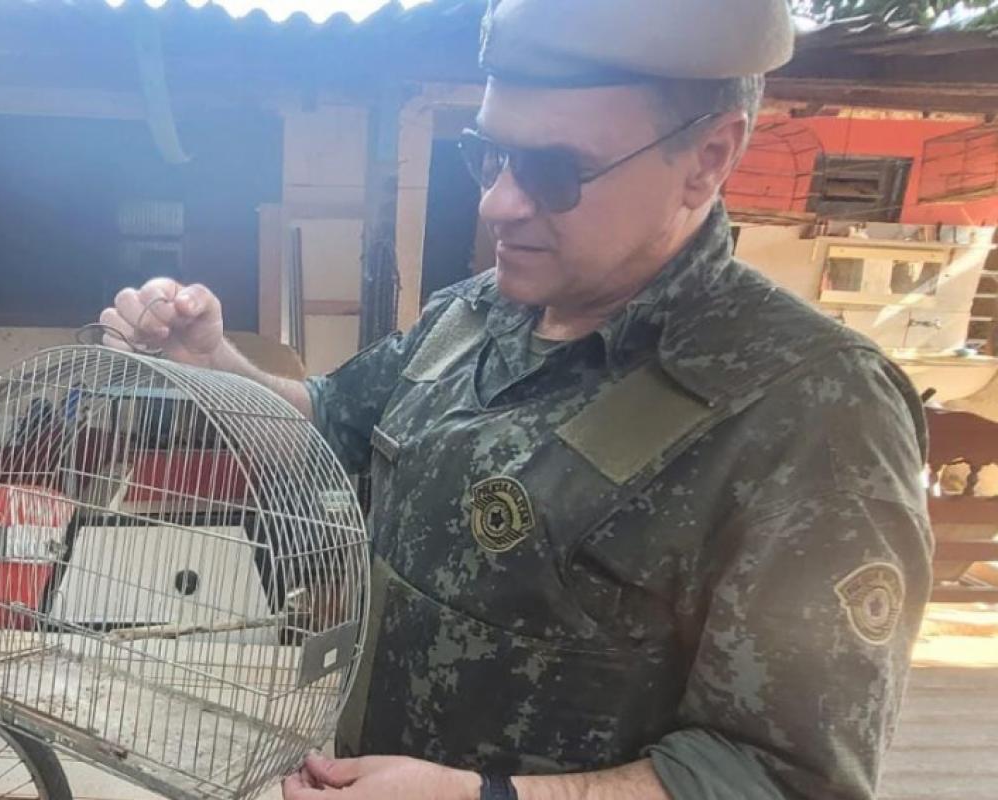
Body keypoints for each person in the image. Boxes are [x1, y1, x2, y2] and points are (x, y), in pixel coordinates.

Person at [99, 1, 932, 797]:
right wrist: (210, 364)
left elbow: (785, 777)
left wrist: (486, 797)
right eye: (492, 155)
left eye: (555, 171)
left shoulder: (814, 411)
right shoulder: (475, 313)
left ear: (709, 157)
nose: (499, 202)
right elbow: (326, 425)